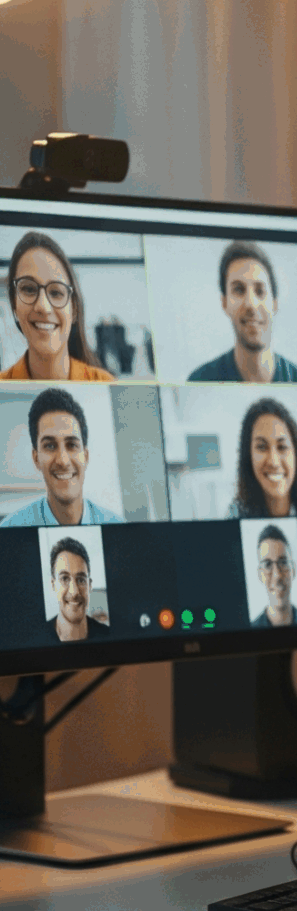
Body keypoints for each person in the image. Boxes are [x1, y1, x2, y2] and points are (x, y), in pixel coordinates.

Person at [187, 241, 297, 383]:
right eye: (239, 290)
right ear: (224, 303)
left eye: (260, 291)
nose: (251, 304)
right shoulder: (200, 382)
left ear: (274, 303)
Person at [1, 388, 124, 527]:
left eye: (72, 445)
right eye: (50, 446)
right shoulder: (8, 532)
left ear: (86, 456)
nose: (63, 461)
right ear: (36, 459)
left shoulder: (119, 528)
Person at [2, 231, 115, 382]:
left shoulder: (104, 383)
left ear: (74, 308)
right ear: (14, 304)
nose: (43, 306)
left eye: (56, 292)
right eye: (29, 289)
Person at [227, 397, 297, 518]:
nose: (273, 461)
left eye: (282, 447)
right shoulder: (234, 514)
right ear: (248, 455)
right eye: (261, 447)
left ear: (296, 454)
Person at [48, 536, 108, 642]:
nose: (74, 591)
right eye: (65, 578)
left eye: (81, 580)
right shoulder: (37, 637)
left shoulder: (108, 636)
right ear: (53, 584)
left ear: (89, 585)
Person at [250, 524, 297, 626]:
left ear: (293, 570)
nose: (277, 576)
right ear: (260, 575)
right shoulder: (251, 628)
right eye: (267, 564)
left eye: (283, 563)